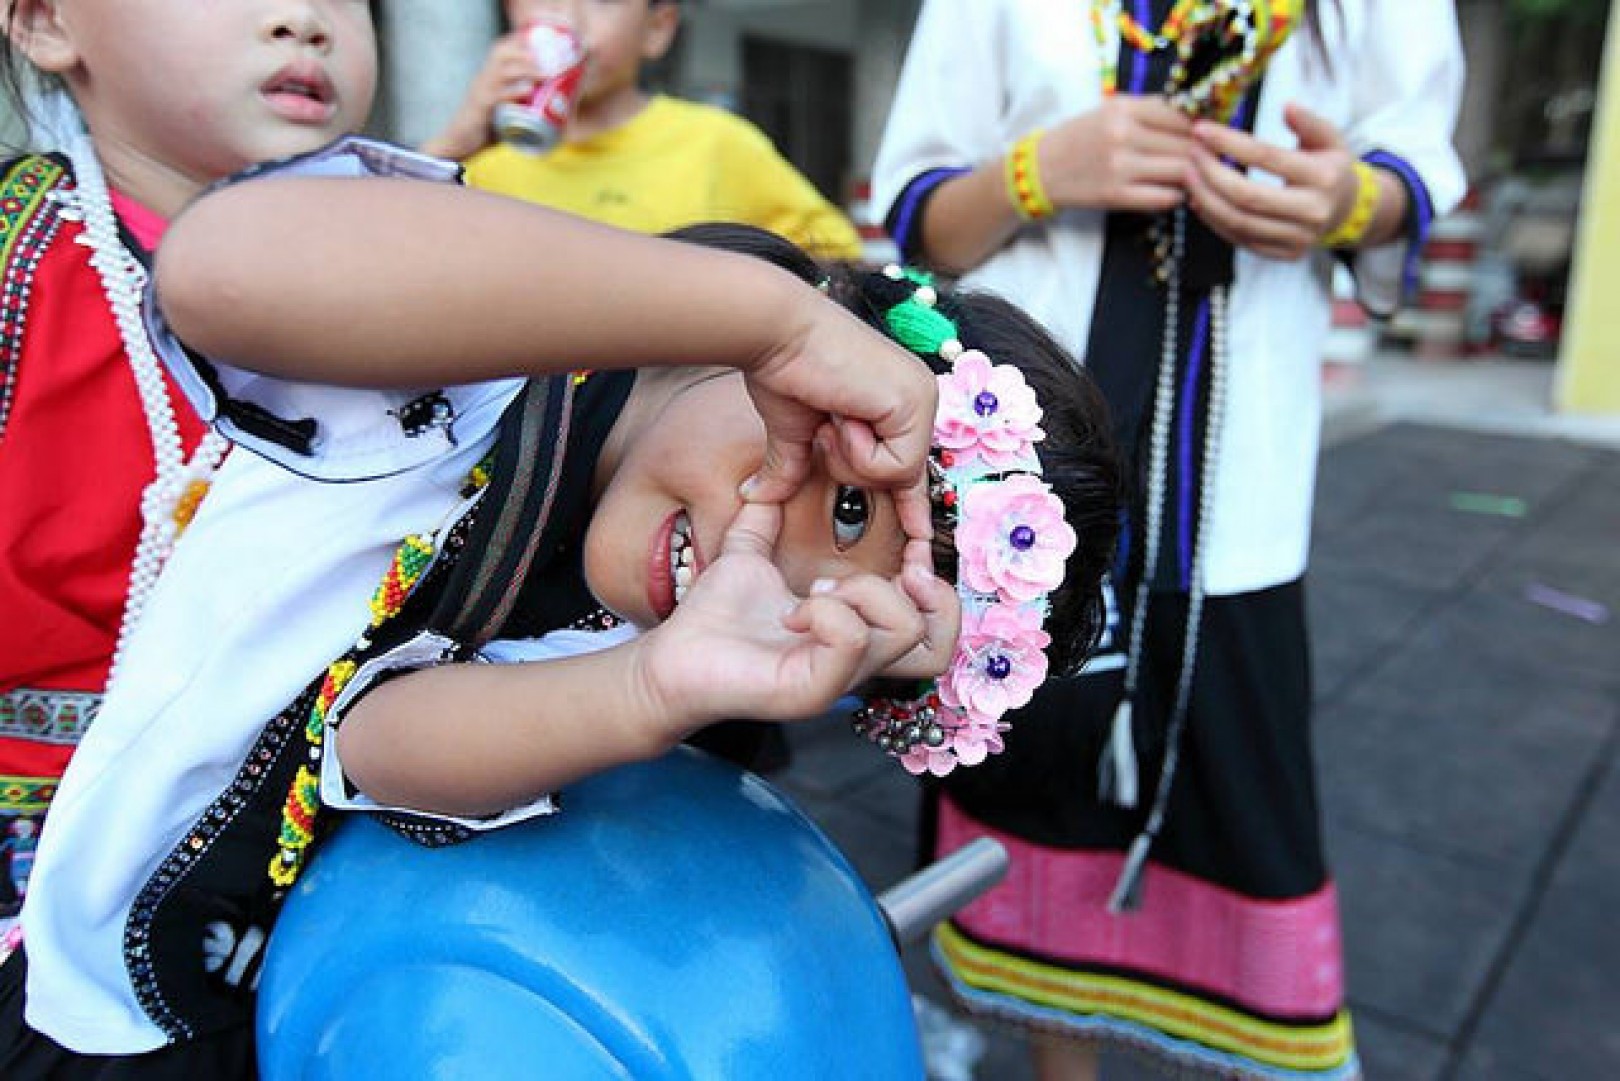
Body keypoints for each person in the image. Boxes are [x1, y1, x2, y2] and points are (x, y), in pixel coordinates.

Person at [0, 137, 1123, 1073]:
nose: (764, 572)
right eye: (842, 513)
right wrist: (771, 319)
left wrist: (651, 690)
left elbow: (377, 740)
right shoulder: (483, 348)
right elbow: (221, 269)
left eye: (848, 634)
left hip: (259, 1005)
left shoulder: (635, 626)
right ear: (826, 360)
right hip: (81, 971)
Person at [873, 2, 1465, 1079]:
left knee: (1240, 798)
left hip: (1235, 500)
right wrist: (1034, 171)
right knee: (1030, 770)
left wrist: (1350, 197)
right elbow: (921, 216)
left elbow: (1415, 164)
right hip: (1025, 476)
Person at [0, 0, 379, 944]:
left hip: (316, 841)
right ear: (47, 24)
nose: (305, 20)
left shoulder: (407, 275)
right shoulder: (20, 257)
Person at [421, 0, 863, 261]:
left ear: (656, 29)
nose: (570, 18)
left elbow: (836, 257)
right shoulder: (468, 163)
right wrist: (453, 146)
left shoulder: (714, 142)